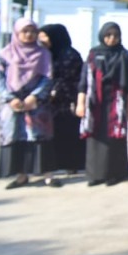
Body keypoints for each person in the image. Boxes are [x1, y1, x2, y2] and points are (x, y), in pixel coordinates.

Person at [76, 22, 128, 187]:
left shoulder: (125, 55)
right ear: (102, 35)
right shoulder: (93, 54)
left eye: (116, 35)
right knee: (95, 137)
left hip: (116, 101)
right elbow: (83, 81)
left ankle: (115, 173)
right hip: (95, 102)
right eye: (108, 35)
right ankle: (95, 174)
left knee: (115, 137)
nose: (112, 39)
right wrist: (80, 104)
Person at [0, 18, 54, 189]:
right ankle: (21, 176)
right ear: (17, 33)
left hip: (35, 103)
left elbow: (47, 77)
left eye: (33, 31)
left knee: (38, 137)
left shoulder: (43, 53)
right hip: (12, 103)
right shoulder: (5, 53)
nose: (29, 35)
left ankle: (47, 175)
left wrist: (34, 97)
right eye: (25, 31)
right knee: (16, 138)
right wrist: (9, 97)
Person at [38, 23, 86, 176]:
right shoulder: (49, 53)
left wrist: (54, 92)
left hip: (66, 101)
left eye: (44, 36)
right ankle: (56, 163)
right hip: (51, 103)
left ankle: (72, 164)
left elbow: (66, 78)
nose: (41, 39)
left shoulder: (69, 54)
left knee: (68, 134)